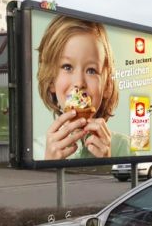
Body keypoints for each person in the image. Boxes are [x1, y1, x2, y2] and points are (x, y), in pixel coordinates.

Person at [35, 15, 129, 160]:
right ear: (51, 81)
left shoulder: (125, 148)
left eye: (91, 70)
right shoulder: (35, 151)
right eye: (67, 67)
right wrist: (48, 165)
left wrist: (108, 163)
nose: (79, 83)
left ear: (107, 85)